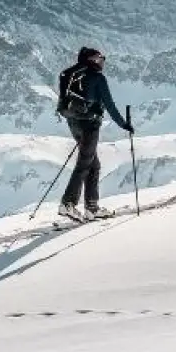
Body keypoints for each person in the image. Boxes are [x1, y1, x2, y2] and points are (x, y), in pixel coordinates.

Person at [57, 47, 134, 222]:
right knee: (85, 163)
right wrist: (124, 124)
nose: (101, 63)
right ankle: (68, 203)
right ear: (91, 61)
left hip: (73, 123)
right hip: (89, 125)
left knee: (93, 165)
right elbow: (110, 105)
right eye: (98, 60)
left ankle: (92, 208)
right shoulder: (98, 79)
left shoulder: (72, 75)